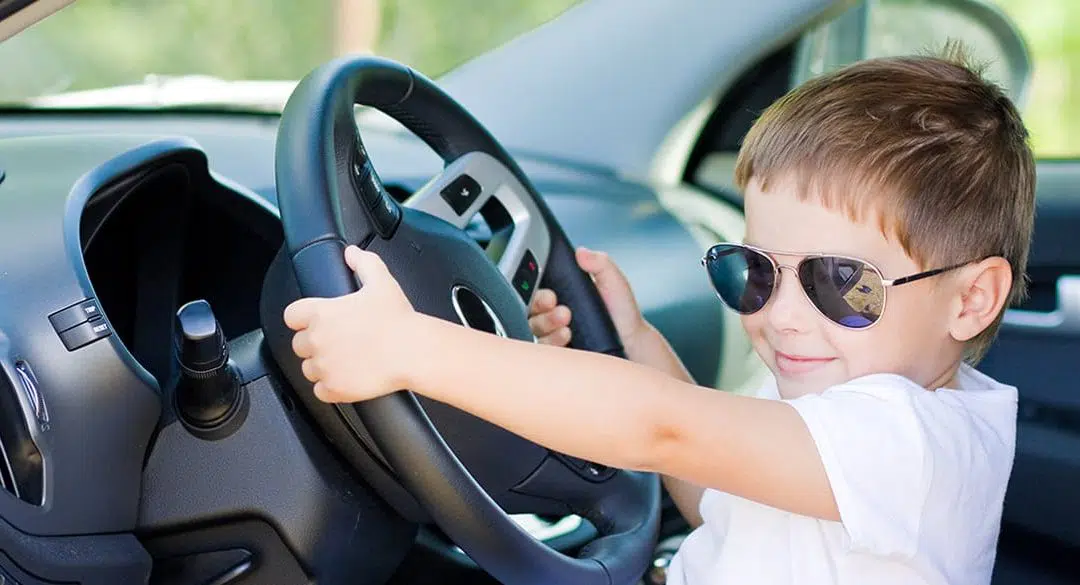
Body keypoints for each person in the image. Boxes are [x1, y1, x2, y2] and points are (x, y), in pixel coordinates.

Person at [282, 46, 1035, 584]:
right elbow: (713, 494)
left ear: (970, 298)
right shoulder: (842, 390)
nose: (784, 318)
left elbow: (664, 426)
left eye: (844, 282)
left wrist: (411, 348)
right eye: (755, 272)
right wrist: (636, 343)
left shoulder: (911, 445)